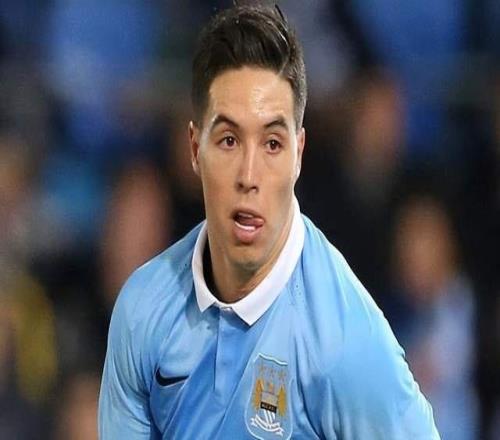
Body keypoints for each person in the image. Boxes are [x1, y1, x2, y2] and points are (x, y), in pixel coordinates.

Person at [98, 4, 440, 439]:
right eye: (228, 140)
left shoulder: (347, 341)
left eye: (273, 144)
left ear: (299, 154)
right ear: (194, 149)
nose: (249, 175)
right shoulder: (143, 308)